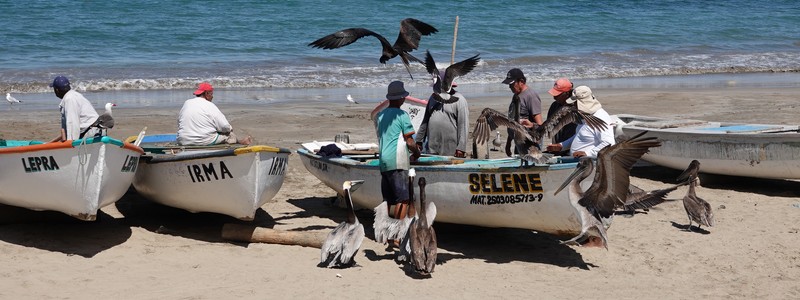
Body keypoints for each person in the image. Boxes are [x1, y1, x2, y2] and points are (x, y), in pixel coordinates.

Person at [376, 81, 421, 221]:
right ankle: (396, 233)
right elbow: (409, 141)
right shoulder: (402, 115)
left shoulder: (380, 115)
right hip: (397, 160)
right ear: (401, 98)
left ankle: (387, 231)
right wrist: (417, 152)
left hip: (383, 160)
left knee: (388, 200)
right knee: (403, 199)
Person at [546, 86, 615, 158]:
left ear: (582, 102)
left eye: (575, 103)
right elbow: (580, 136)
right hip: (576, 160)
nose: (573, 105)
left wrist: (587, 153)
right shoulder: (586, 115)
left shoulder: (600, 117)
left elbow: (609, 143)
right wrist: (562, 146)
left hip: (589, 162)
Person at [177, 82, 251, 146]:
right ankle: (241, 142)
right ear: (206, 93)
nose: (212, 96)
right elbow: (225, 126)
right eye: (211, 94)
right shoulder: (209, 105)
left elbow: (179, 122)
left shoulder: (187, 103)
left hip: (182, 140)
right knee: (230, 135)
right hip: (203, 141)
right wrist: (230, 129)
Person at [415, 80, 469, 158]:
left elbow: (463, 125)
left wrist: (461, 147)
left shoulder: (459, 99)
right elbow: (425, 120)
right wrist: (419, 140)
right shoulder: (433, 97)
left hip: (450, 145)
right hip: (433, 144)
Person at [501, 68, 543, 156]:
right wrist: (508, 143)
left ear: (521, 81)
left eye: (512, 84)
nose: (510, 87)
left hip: (530, 145)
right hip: (518, 141)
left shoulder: (531, 96)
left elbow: (540, 125)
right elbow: (512, 121)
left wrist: (531, 125)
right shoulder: (516, 96)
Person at [49, 76, 100, 142]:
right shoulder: (74, 95)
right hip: (95, 129)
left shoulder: (69, 99)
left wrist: (70, 143)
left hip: (92, 132)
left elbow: (72, 124)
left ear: (57, 90)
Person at [546, 78, 578, 156]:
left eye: (557, 95)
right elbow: (548, 127)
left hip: (573, 149)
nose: (554, 97)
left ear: (566, 93)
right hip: (557, 148)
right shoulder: (554, 106)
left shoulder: (577, 107)